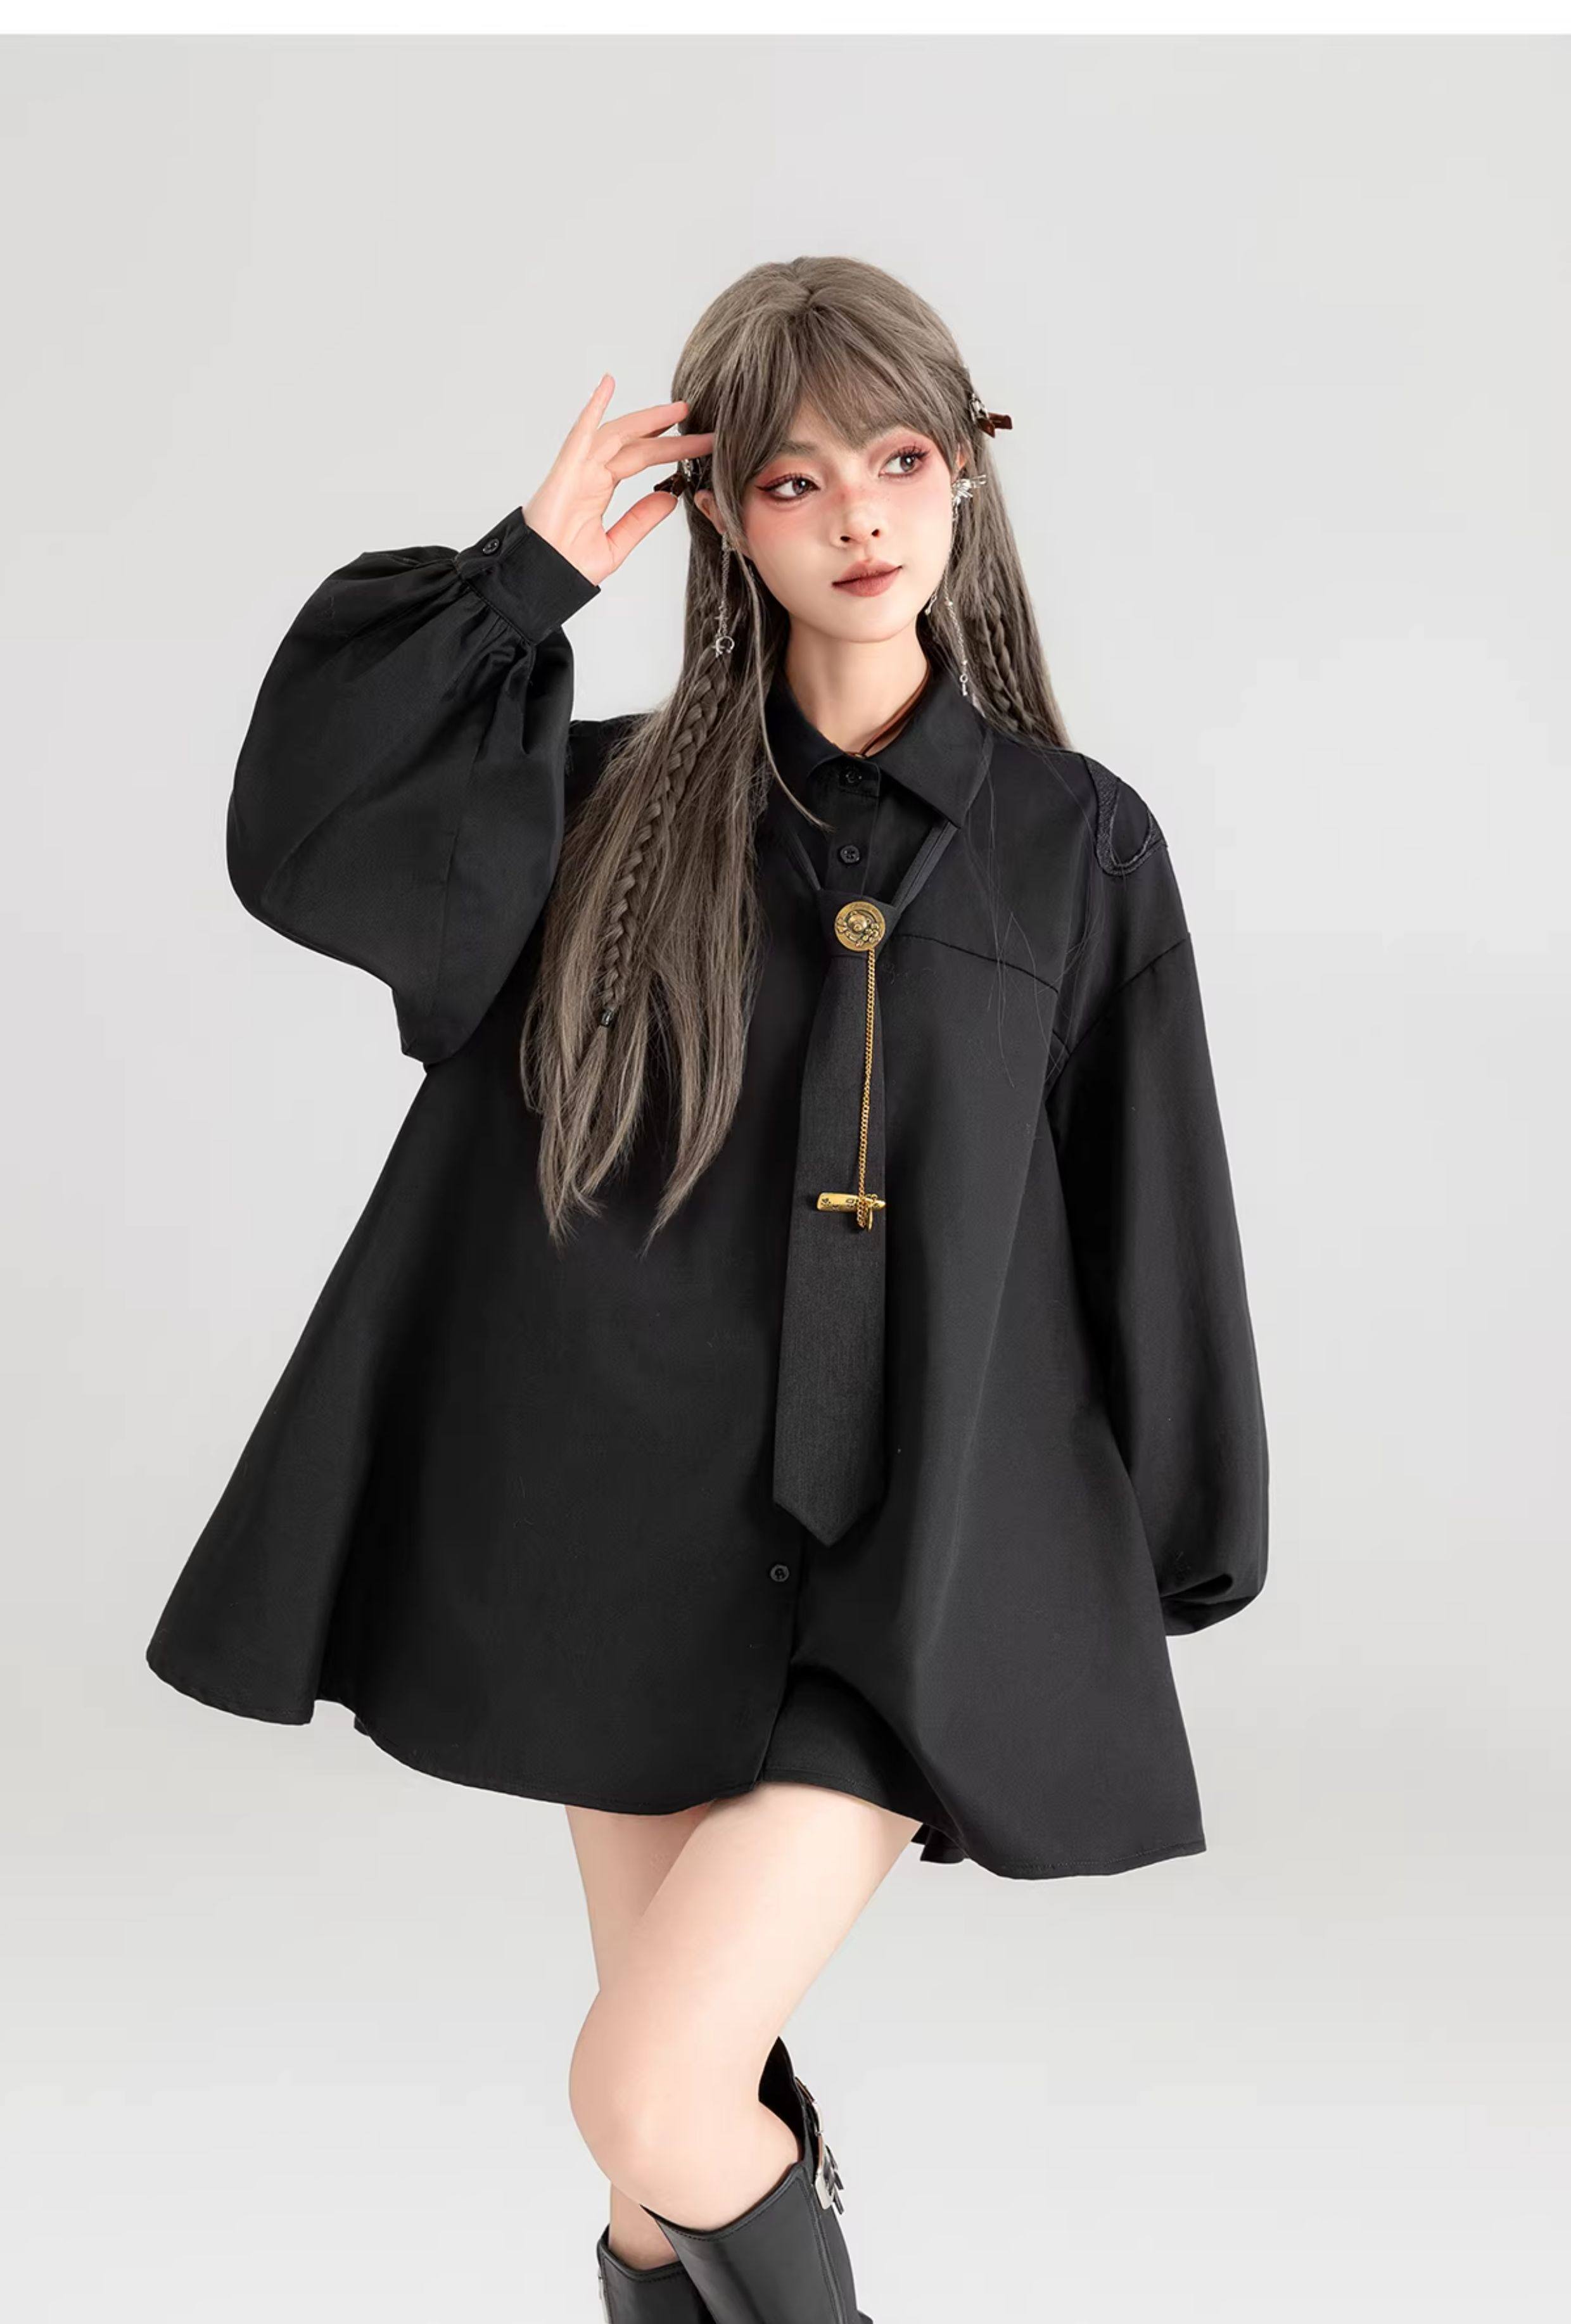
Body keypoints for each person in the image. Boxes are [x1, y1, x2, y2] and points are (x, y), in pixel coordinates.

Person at [146, 253, 1269, 2321]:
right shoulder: (604, 812)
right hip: (630, 1542)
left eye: (900, 460)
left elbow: (1154, 1197)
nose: (860, 516)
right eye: (794, 479)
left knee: (652, 2087)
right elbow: (306, 829)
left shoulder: (1074, 845)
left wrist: (1175, 1539)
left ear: (966, 473)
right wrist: (525, 577)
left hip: (917, 1562)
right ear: (725, 518)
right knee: (660, 2172)